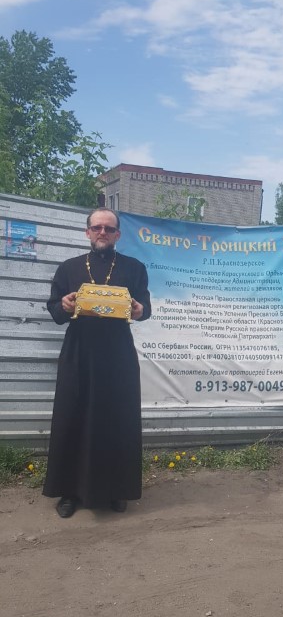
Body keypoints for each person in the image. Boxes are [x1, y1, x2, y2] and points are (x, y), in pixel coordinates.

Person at [43, 208, 151, 518]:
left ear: (118, 234)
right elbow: (55, 310)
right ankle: (69, 492)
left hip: (118, 356)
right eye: (97, 227)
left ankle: (116, 489)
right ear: (87, 232)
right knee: (72, 417)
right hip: (79, 353)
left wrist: (140, 310)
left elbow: (145, 308)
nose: (103, 232)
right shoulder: (68, 268)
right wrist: (63, 305)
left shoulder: (134, 268)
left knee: (117, 420)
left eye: (109, 228)